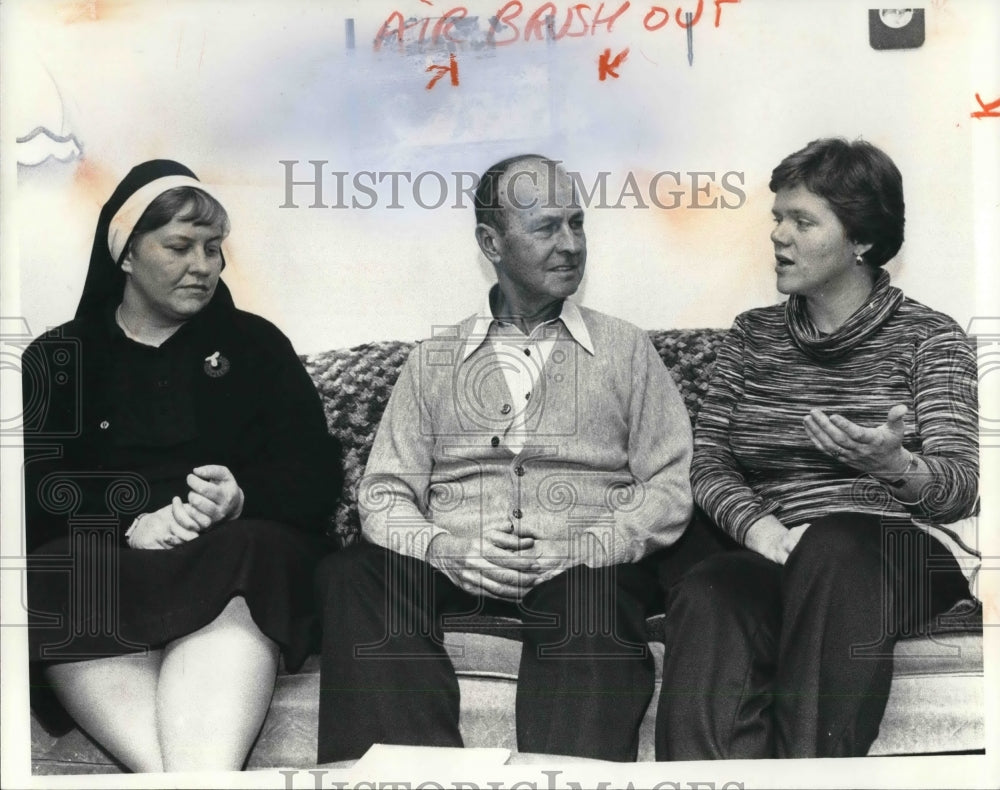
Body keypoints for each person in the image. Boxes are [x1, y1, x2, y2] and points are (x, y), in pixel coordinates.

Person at [314, 155, 694, 763]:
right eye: (547, 228)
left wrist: (584, 546)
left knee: (590, 603)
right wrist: (449, 551)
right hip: (456, 564)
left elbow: (670, 486)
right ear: (491, 242)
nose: (570, 244)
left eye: (577, 223)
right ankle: (410, 778)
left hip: (583, 566)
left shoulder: (624, 349)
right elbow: (384, 492)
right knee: (354, 575)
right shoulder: (434, 357)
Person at [655, 138, 979, 759]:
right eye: (777, 217)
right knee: (710, 586)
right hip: (779, 551)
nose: (778, 235)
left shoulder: (929, 339)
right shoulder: (752, 336)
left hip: (894, 557)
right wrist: (763, 532)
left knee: (834, 545)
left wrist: (897, 466)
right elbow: (708, 459)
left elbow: (960, 484)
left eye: (802, 221)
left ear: (860, 240)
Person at [22, 160, 342, 772]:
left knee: (255, 547)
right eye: (180, 246)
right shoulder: (59, 357)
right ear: (125, 255)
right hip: (109, 562)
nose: (205, 266)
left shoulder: (258, 346)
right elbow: (33, 490)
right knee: (54, 567)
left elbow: (314, 474)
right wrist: (124, 523)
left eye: (214, 248)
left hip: (232, 556)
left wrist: (240, 497)